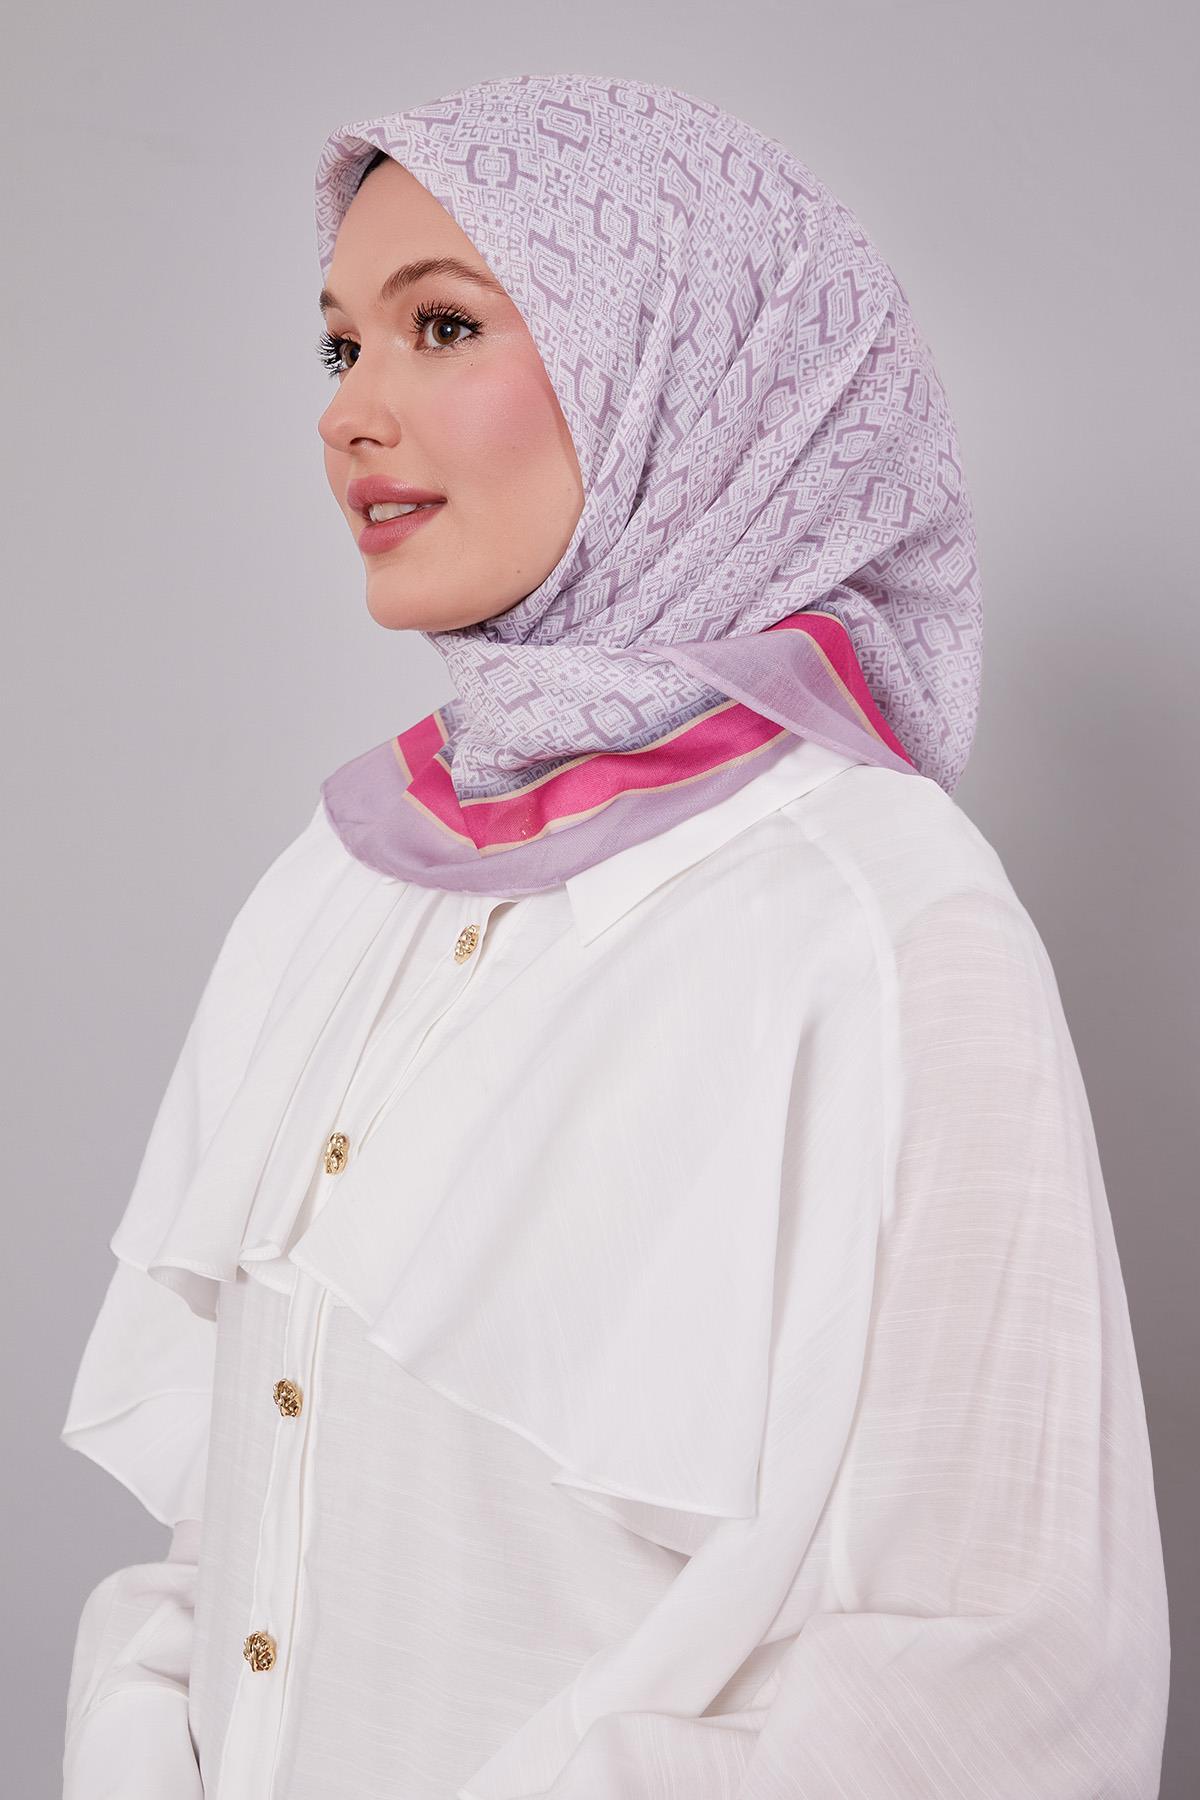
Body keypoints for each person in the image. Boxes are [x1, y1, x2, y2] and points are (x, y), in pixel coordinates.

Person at [58, 71, 1170, 1799]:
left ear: (676, 371)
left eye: (442, 326)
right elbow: (242, 1538)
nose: (351, 411)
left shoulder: (879, 921)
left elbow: (1003, 1674)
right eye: (339, 347)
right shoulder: (345, 880)